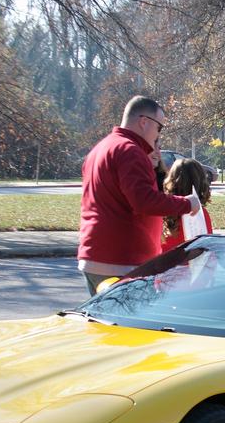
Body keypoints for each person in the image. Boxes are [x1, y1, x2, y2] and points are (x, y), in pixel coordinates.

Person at [78, 96, 199, 295]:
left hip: (95, 255)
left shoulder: (100, 149)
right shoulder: (130, 150)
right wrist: (187, 203)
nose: (158, 136)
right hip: (123, 261)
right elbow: (144, 201)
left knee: (106, 325)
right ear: (144, 122)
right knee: (133, 325)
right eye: (159, 128)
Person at [162, 158, 214, 252]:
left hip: (160, 264)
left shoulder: (161, 210)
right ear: (200, 182)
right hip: (189, 265)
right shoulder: (199, 214)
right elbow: (205, 249)